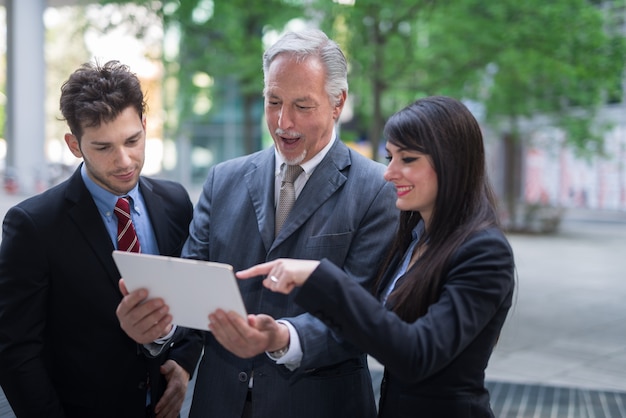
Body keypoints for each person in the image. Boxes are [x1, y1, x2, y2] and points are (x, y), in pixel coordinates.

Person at [117, 29, 399, 418]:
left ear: (338, 103)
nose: (284, 121)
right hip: (219, 404)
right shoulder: (223, 179)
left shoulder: (376, 190)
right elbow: (192, 291)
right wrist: (159, 325)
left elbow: (363, 315)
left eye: (302, 105)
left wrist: (282, 337)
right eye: (274, 101)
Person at [235, 96, 516, 417]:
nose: (389, 173)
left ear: (452, 162)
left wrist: (320, 276)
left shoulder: (484, 251)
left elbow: (416, 355)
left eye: (408, 159)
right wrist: (283, 337)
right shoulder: (413, 237)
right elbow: (376, 328)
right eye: (390, 157)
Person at [0, 60, 203, 418]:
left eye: (132, 140)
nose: (124, 160)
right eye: (103, 147)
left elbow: (190, 299)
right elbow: (16, 351)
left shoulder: (175, 203)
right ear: (74, 145)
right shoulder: (32, 225)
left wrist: (183, 363)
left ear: (144, 125)